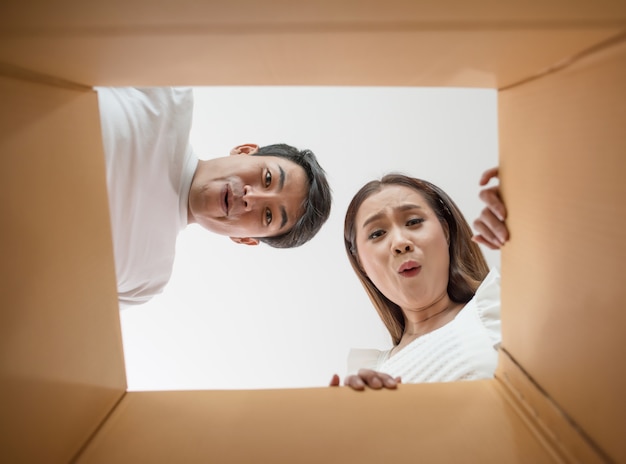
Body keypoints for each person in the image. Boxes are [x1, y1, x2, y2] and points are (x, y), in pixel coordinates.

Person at [97, 87, 332, 307]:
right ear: (245, 150)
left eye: (268, 215)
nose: (253, 197)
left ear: (245, 239)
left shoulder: (146, 278)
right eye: (268, 178)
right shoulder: (168, 95)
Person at [329, 171, 507, 390]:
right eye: (376, 234)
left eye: (413, 221)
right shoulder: (368, 374)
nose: (400, 243)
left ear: (446, 232)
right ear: (361, 263)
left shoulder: (503, 307)